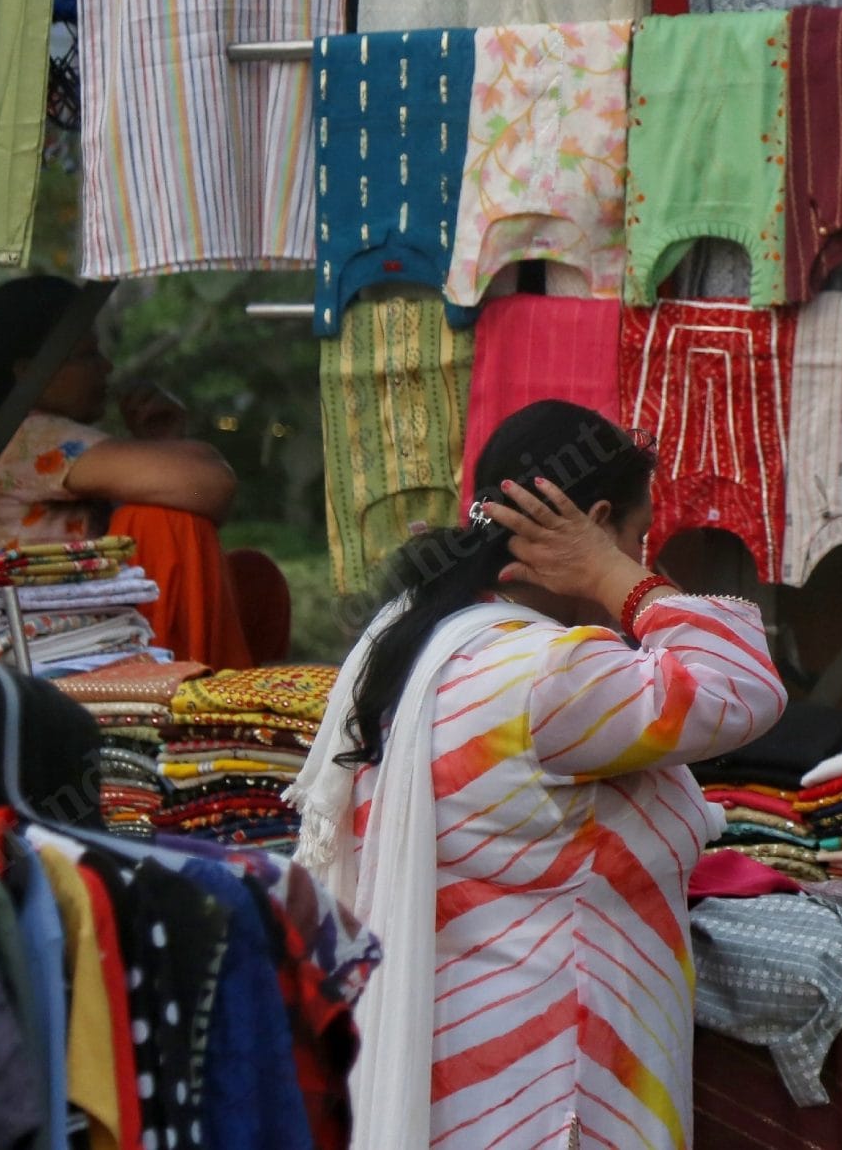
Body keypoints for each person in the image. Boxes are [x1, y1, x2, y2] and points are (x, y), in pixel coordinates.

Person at [292, 400, 787, 1150]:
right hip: (562, 1074)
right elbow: (738, 688)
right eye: (637, 535)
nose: (641, 554)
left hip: (459, 1052)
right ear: (591, 519)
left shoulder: (411, 640)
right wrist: (616, 574)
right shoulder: (551, 674)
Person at [0, 276, 258, 666]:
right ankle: (195, 703)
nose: (106, 366)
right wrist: (170, 454)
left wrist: (162, 443)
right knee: (162, 522)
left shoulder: (22, 437)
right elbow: (209, 487)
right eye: (87, 355)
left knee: (255, 577)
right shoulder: (21, 438)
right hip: (25, 654)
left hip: (67, 640)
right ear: (28, 371)